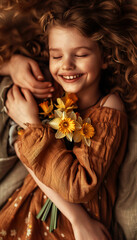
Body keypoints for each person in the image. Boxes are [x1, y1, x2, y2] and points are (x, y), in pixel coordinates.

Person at [0, 1, 137, 240]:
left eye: (81, 54)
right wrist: (12, 65)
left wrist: (32, 126)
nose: (67, 65)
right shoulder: (50, 94)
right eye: (57, 55)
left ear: (104, 58)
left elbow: (77, 186)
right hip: (29, 211)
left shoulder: (109, 107)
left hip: (73, 230)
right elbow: (34, 163)